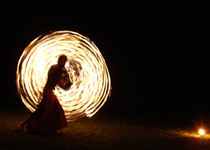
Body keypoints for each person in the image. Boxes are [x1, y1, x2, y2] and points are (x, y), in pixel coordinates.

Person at [19, 55, 72, 134]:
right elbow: (58, 80)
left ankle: (52, 128)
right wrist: (65, 77)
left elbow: (61, 82)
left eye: (65, 61)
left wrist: (66, 78)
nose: (63, 62)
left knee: (56, 108)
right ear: (59, 60)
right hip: (48, 91)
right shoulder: (56, 68)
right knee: (45, 110)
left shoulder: (57, 68)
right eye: (62, 60)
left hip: (50, 91)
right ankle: (30, 126)